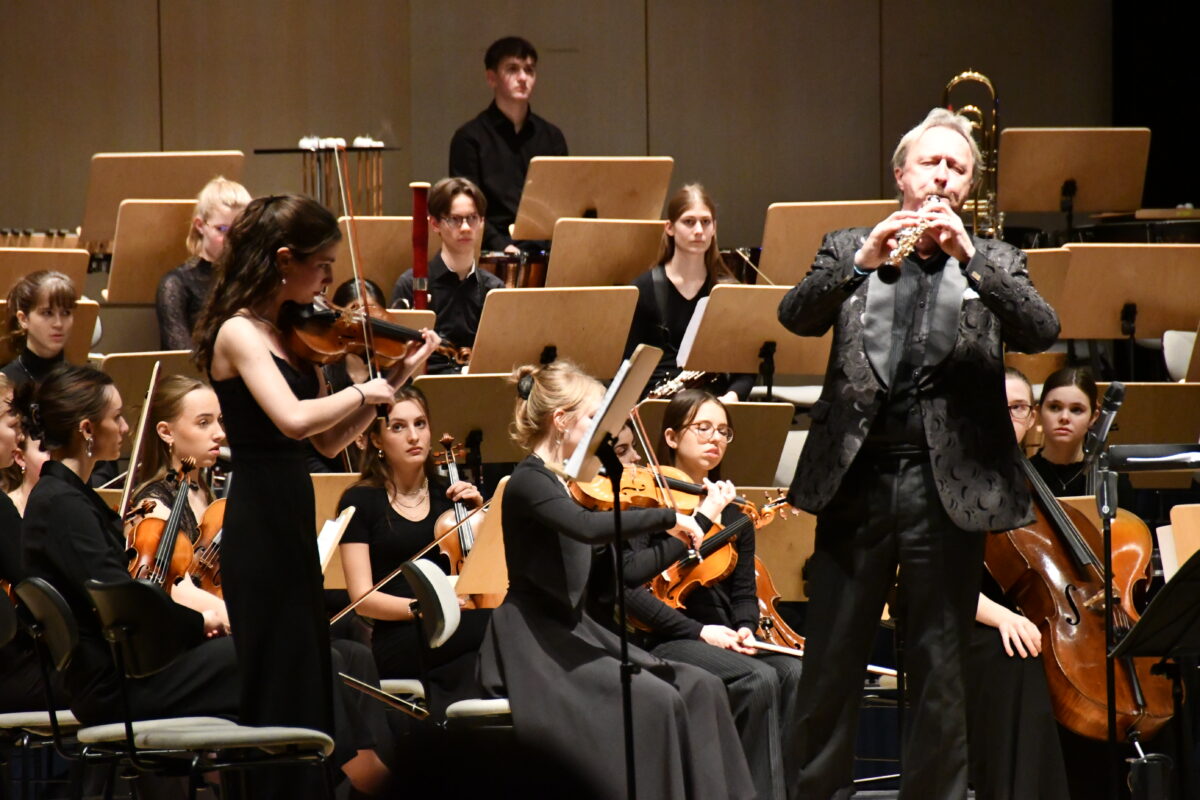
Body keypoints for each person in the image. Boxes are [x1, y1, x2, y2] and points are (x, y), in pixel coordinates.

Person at [776, 107, 1060, 798]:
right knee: (831, 661)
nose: (942, 176)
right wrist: (861, 264)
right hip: (857, 479)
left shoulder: (994, 259)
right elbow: (795, 315)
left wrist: (970, 259)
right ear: (901, 174)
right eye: (931, 162)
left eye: (956, 168)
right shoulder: (849, 245)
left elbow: (1041, 329)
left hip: (946, 486)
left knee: (939, 667)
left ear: (969, 188)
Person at [191, 194, 437, 795]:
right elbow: (295, 420)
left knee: (304, 686)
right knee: (276, 689)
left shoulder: (292, 333)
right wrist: (366, 390)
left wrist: (396, 378)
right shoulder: (239, 333)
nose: (329, 279)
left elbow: (328, 442)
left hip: (292, 516)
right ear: (283, 260)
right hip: (259, 523)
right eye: (321, 264)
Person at [476, 359, 754, 800]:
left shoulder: (575, 484)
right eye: (594, 417)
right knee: (657, 701)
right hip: (536, 638)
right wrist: (667, 517)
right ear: (561, 420)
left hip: (578, 628)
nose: (603, 433)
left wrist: (697, 524)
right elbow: (585, 528)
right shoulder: (530, 480)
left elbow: (621, 575)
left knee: (703, 686)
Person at [14, 365, 239, 724]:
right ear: (87, 429)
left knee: (268, 656)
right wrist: (199, 622)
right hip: (116, 686)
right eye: (116, 417)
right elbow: (123, 603)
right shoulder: (62, 505)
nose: (126, 428)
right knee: (265, 658)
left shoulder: (65, 497)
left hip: (120, 675)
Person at [622, 389, 803, 800]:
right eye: (702, 427)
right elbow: (629, 588)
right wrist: (700, 631)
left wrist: (745, 626)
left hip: (721, 635)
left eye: (723, 431)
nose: (715, 438)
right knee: (757, 679)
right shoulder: (646, 504)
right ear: (671, 437)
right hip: (666, 635)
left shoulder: (735, 513)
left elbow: (743, 592)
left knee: (794, 672)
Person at [337, 386, 490, 715]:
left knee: (492, 632)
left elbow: (483, 578)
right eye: (398, 427)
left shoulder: (449, 495)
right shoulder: (360, 501)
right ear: (377, 440)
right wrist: (424, 609)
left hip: (459, 624)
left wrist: (479, 518)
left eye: (420, 424)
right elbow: (362, 598)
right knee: (499, 626)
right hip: (401, 635)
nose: (413, 436)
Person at [965, 367, 1069, 800]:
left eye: (1019, 408)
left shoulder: (1030, 481)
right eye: (998, 407)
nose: (1008, 417)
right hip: (959, 615)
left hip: (1022, 613)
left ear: (1032, 418)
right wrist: (1003, 618)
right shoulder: (953, 478)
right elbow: (935, 579)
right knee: (1018, 657)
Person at [625, 184, 754, 401]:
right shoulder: (643, 289)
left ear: (714, 228)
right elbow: (629, 363)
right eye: (689, 222)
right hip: (658, 403)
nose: (699, 230)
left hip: (714, 403)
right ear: (669, 228)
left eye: (706, 222)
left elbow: (746, 365)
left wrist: (732, 396)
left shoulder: (729, 291)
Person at [126, 374, 230, 628]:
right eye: (204, 423)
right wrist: (246, 622)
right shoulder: (153, 504)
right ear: (166, 432)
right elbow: (173, 588)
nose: (219, 434)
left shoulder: (205, 491)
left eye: (219, 421)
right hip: (187, 633)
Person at [449, 36, 568, 255]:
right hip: (492, 252)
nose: (523, 78)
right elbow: (467, 207)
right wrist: (501, 246)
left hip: (544, 250)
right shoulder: (469, 138)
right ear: (491, 78)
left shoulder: (552, 137)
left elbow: (562, 201)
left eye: (529, 70)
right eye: (512, 69)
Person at [389, 177, 504, 374]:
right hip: (424, 387)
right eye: (455, 219)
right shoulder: (409, 285)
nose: (466, 227)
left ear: (482, 222)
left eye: (472, 218)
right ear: (435, 223)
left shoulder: (494, 290)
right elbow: (395, 359)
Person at [156, 176, 251, 350]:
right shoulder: (176, 284)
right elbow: (180, 357)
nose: (232, 239)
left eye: (240, 229)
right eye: (222, 229)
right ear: (200, 225)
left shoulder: (252, 277)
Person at [1, 270, 77, 386]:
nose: (58, 324)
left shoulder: (85, 384)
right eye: (47, 313)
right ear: (23, 319)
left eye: (66, 313)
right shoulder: (5, 383)